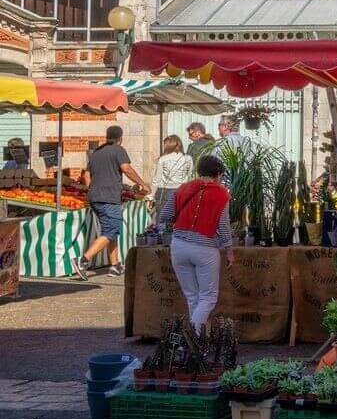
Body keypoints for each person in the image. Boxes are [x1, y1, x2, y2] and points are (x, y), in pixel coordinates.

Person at [157, 154, 235, 330]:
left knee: (193, 296)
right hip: (205, 247)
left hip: (178, 245)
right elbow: (223, 225)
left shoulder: (183, 188)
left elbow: (165, 215)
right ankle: (193, 335)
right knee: (208, 297)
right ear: (218, 173)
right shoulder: (221, 193)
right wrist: (229, 251)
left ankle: (198, 342)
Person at [72, 126, 148, 279]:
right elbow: (126, 169)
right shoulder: (118, 150)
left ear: (107, 136)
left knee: (110, 231)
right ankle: (83, 260)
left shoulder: (95, 153)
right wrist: (142, 183)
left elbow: (87, 176)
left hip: (94, 197)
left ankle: (115, 265)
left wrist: (92, 190)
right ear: (120, 137)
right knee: (110, 231)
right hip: (109, 197)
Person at [152, 135, 194, 219]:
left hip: (164, 193)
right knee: (180, 220)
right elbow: (191, 178)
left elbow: (157, 180)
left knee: (162, 221)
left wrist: (151, 196)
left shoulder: (163, 159)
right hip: (182, 192)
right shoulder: (188, 158)